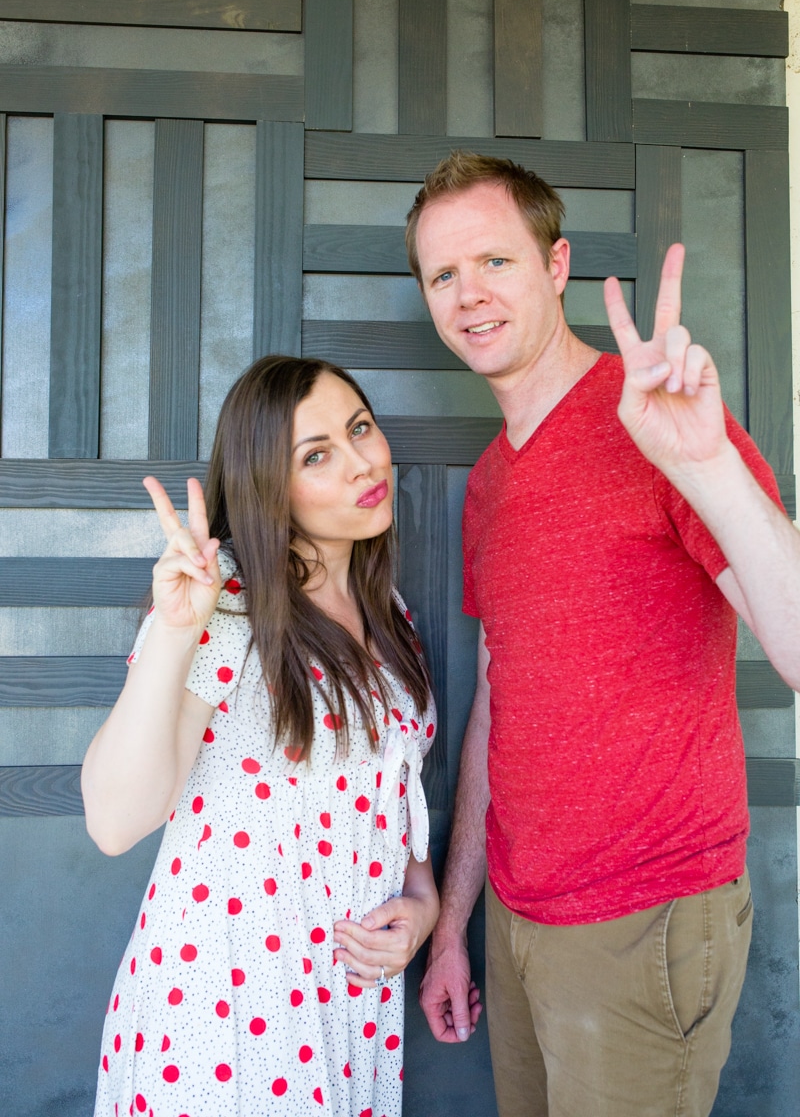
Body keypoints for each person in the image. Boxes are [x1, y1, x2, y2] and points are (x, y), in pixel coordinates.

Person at [406, 151, 800, 1117]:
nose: (469, 296)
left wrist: (705, 465)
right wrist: (457, 921)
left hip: (645, 924)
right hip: (518, 919)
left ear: (557, 265)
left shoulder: (658, 418)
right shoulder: (492, 482)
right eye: (442, 275)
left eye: (494, 261)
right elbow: (504, 700)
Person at [82, 355, 439, 1117]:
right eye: (317, 456)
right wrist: (178, 630)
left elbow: (394, 813)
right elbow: (115, 821)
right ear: (270, 490)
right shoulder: (232, 603)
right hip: (230, 1013)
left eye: (359, 429)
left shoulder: (393, 617)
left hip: (345, 1012)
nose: (360, 463)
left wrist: (425, 905)